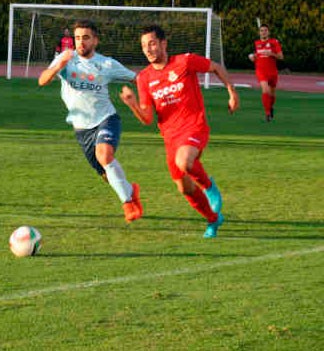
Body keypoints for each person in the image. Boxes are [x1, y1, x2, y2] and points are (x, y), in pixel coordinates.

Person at [120, 24, 239, 238]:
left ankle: (209, 187)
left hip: (194, 125)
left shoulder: (184, 61)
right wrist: (132, 104)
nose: (148, 49)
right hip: (170, 137)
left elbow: (215, 67)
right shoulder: (144, 78)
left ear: (164, 43)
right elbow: (147, 118)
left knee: (184, 161)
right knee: (184, 188)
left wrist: (231, 92)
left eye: (152, 43)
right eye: (144, 46)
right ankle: (213, 219)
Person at [38, 19, 143, 223]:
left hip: (106, 119)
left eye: (86, 38)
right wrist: (59, 65)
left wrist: (148, 98)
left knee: (104, 155)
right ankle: (130, 191)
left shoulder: (107, 64)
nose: (80, 42)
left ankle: (128, 204)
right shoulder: (65, 59)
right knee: (105, 175)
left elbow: (137, 79)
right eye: (77, 38)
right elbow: (42, 80)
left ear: (95, 40)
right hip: (81, 128)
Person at [249, 24, 283, 122]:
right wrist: (252, 57)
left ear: (268, 32)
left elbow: (281, 56)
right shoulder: (256, 43)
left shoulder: (274, 42)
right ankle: (267, 113)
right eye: (261, 30)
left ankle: (270, 108)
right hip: (261, 71)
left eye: (265, 30)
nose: (263, 32)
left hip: (272, 71)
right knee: (265, 90)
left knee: (272, 94)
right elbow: (257, 55)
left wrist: (271, 54)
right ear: (259, 32)